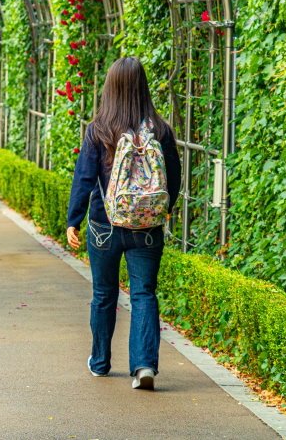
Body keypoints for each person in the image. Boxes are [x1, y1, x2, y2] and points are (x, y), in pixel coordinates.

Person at [66, 57, 181, 391]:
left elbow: (84, 178)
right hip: (147, 228)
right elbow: (173, 177)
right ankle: (144, 365)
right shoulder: (160, 129)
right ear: (143, 88)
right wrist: (165, 208)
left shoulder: (99, 129)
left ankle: (100, 362)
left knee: (104, 293)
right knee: (144, 293)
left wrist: (74, 219)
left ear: (110, 88)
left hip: (105, 226)